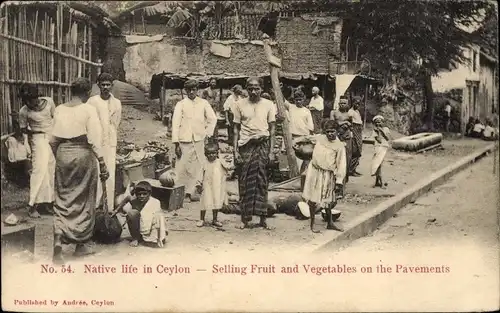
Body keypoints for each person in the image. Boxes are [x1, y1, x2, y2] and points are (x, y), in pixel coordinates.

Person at [49, 77, 109, 264]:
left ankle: (59, 236)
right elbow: (94, 140)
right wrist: (102, 161)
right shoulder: (88, 110)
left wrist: (60, 155)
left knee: (63, 197)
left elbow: (52, 140)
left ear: (71, 91)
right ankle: (81, 245)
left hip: (62, 154)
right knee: (84, 197)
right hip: (83, 154)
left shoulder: (59, 109)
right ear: (87, 93)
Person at [233, 77, 276, 230]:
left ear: (261, 89)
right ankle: (245, 220)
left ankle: (262, 219)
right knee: (244, 181)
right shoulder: (239, 104)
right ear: (246, 89)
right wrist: (235, 151)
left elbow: (272, 129)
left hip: (262, 146)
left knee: (262, 182)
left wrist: (271, 151)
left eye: (256, 88)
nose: (253, 91)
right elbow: (236, 129)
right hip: (246, 147)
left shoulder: (269, 104)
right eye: (250, 88)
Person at [172, 79, 217, 202]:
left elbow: (212, 119)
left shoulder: (203, 103)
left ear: (197, 90)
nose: (191, 92)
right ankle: (181, 192)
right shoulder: (180, 104)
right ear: (185, 91)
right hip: (184, 139)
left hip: (199, 139)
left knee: (198, 165)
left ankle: (192, 191)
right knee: (182, 165)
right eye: (189, 90)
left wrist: (208, 134)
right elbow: (175, 124)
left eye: (194, 89)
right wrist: (176, 143)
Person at [18, 83, 56, 218]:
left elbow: (55, 120)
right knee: (39, 170)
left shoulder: (49, 102)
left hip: (51, 138)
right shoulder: (24, 111)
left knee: (50, 170)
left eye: (31, 99)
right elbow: (24, 131)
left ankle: (48, 203)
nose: (29, 103)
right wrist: (27, 145)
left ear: (37, 97)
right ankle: (32, 204)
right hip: (38, 139)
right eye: (26, 100)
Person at [301, 120, 346, 233]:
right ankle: (312, 223)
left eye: (333, 131)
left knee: (328, 199)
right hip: (314, 171)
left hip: (328, 173)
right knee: (312, 198)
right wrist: (296, 142)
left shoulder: (339, 146)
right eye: (328, 131)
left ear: (337, 131)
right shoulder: (319, 138)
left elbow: (341, 164)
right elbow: (306, 138)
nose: (330, 134)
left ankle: (330, 222)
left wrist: (339, 181)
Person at [87, 73, 122, 212]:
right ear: (98, 85)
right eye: (103, 85)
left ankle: (108, 205)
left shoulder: (116, 103)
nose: (106, 87)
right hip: (96, 140)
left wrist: (110, 135)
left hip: (110, 141)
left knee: (110, 172)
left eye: (108, 85)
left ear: (112, 86)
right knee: (96, 171)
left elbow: (116, 123)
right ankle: (95, 204)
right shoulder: (92, 102)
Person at [114, 181, 167, 247]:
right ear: (136, 194)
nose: (142, 196)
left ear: (149, 194)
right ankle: (135, 238)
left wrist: (160, 235)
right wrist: (116, 211)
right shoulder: (134, 200)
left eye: (144, 194)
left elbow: (159, 219)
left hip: (151, 227)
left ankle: (154, 237)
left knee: (158, 216)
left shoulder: (155, 202)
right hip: (139, 226)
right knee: (131, 213)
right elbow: (127, 199)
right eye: (139, 194)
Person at [195, 142, 233, 228]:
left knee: (216, 202)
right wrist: (198, 183)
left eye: (213, 153)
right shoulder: (204, 163)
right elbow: (200, 173)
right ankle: (201, 219)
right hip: (207, 185)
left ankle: (215, 219)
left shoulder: (220, 162)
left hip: (217, 186)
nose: (211, 155)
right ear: (205, 154)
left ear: (217, 153)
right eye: (209, 154)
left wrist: (229, 162)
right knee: (204, 202)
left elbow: (228, 168)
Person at [284, 89, 314, 171]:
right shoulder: (291, 107)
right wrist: (280, 89)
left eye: (300, 100)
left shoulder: (307, 111)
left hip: (303, 137)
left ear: (303, 99)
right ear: (294, 100)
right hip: (293, 137)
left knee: (303, 159)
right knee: (293, 159)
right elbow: (282, 100)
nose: (298, 102)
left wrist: (310, 138)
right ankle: (294, 175)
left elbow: (311, 127)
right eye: (296, 100)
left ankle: (302, 175)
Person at [371, 115, 392, 188]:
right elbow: (379, 140)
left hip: (384, 147)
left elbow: (387, 138)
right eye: (376, 122)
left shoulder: (386, 129)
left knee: (379, 164)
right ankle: (378, 182)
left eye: (379, 122)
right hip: (377, 147)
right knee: (378, 164)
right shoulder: (375, 130)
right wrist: (378, 132)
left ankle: (380, 182)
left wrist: (381, 131)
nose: (378, 124)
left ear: (382, 122)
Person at [348, 98, 363, 176]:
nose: (357, 105)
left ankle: (354, 169)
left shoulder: (357, 111)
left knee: (359, 150)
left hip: (359, 133)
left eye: (358, 104)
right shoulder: (350, 112)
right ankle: (351, 170)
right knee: (355, 151)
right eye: (356, 103)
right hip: (354, 132)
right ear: (353, 103)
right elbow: (351, 124)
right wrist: (352, 134)